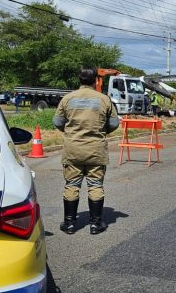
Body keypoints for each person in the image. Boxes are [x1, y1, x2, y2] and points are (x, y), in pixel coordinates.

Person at [53, 68, 120, 235]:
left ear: (79, 79)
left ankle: (69, 223)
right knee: (95, 185)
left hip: (73, 149)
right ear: (95, 80)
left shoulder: (68, 98)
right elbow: (114, 124)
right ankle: (96, 224)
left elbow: (57, 121)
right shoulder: (104, 99)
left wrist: (71, 132)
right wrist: (100, 132)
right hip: (96, 150)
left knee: (72, 185)